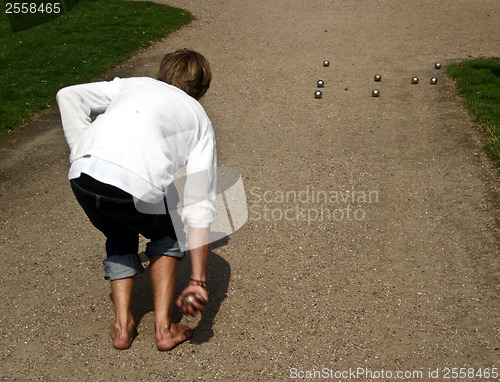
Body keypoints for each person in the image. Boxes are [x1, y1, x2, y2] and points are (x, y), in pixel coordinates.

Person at [56, 49, 217, 350]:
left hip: (83, 177)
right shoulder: (198, 118)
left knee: (118, 230)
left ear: (162, 74)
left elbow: (68, 95)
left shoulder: (133, 84)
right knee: (167, 235)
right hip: (135, 187)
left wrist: (81, 146)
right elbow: (199, 206)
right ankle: (164, 329)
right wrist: (197, 280)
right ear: (202, 90)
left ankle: (122, 327)